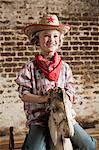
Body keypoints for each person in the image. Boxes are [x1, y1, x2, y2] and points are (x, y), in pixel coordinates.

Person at [15, 14, 96, 150]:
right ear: (37, 40)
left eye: (55, 36)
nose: (51, 39)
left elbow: (71, 91)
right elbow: (24, 94)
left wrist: (61, 99)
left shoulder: (64, 67)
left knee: (88, 145)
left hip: (63, 115)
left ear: (60, 40)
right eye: (46, 35)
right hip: (39, 118)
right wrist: (46, 99)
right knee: (34, 148)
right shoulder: (29, 67)